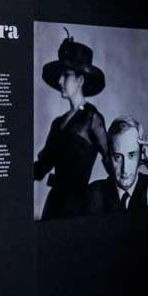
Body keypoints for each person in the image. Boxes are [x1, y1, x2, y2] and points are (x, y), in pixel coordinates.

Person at [34, 30, 109, 220]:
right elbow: (41, 168)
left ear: (81, 80)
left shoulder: (92, 118)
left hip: (78, 207)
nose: (60, 81)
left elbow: (111, 160)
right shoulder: (58, 123)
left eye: (66, 75)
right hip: (53, 205)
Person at [84, 116, 148, 214]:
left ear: (142, 154)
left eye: (131, 155)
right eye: (118, 157)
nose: (124, 169)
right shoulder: (93, 194)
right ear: (109, 156)